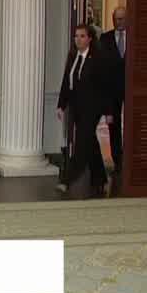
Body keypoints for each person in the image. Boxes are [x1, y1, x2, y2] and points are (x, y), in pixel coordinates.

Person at [56, 24, 112, 198]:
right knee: (91, 144)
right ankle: (100, 179)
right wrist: (61, 105)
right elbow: (67, 82)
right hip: (77, 108)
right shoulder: (73, 56)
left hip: (92, 108)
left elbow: (105, 86)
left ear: (89, 39)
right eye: (76, 36)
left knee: (81, 144)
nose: (77, 39)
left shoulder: (97, 58)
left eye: (81, 36)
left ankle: (66, 180)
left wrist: (108, 111)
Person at [97, 6, 128, 187]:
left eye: (123, 19)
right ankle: (117, 161)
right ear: (112, 19)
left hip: (131, 90)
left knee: (132, 126)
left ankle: (130, 160)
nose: (119, 22)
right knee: (113, 127)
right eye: (117, 19)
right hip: (112, 90)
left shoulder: (136, 37)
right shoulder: (105, 38)